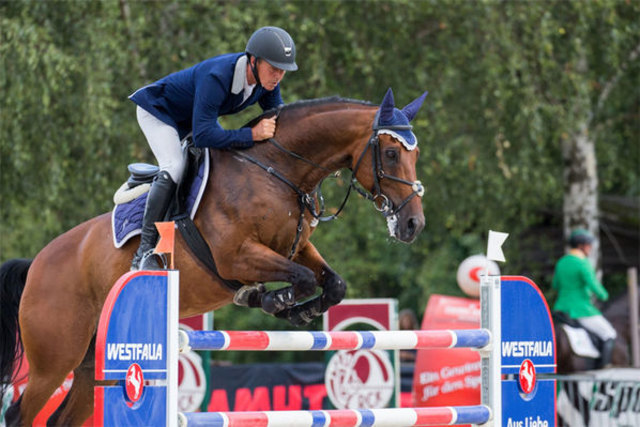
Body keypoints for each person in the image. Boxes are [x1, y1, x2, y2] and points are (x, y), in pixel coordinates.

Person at [128, 26, 298, 270]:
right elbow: (205, 134)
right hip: (159, 113)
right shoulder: (217, 76)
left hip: (188, 122)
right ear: (253, 61)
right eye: (274, 69)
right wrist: (251, 134)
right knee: (174, 167)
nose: (278, 76)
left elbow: (279, 118)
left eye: (283, 71)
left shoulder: (266, 82)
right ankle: (143, 254)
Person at [552, 228, 617, 368]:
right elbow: (596, 287)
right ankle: (603, 369)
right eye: (589, 245)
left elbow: (555, 285)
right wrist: (603, 295)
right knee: (609, 333)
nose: (590, 248)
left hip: (560, 310)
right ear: (581, 245)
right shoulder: (583, 263)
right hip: (580, 310)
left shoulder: (561, 262)